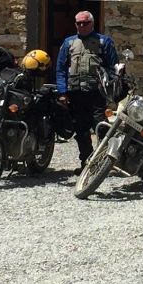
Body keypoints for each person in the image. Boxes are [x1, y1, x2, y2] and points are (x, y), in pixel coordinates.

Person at [55, 10, 119, 170]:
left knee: (101, 126)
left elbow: (114, 68)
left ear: (92, 23)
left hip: (97, 93)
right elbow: (61, 69)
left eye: (85, 23)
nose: (82, 26)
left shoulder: (104, 42)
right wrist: (62, 92)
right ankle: (86, 162)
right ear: (75, 24)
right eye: (79, 23)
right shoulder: (68, 43)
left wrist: (111, 91)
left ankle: (104, 161)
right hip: (75, 93)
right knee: (81, 129)